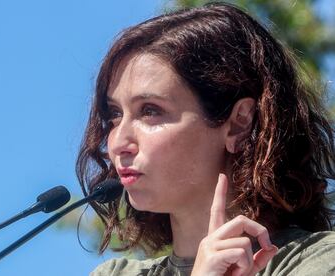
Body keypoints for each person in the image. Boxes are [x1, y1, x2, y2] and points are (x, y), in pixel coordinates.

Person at [76, 2, 335, 275]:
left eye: (150, 111)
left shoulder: (315, 261)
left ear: (238, 123)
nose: (117, 143)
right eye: (115, 114)